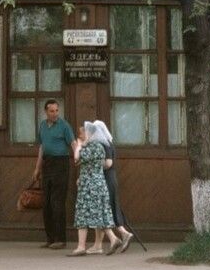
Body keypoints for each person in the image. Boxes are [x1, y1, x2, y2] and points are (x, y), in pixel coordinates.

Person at [67, 122, 122, 256]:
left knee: (82, 214)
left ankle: (81, 246)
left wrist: (79, 145)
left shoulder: (91, 147)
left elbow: (76, 158)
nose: (80, 136)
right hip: (99, 183)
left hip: (88, 185)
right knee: (99, 213)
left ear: (90, 134)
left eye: (83, 133)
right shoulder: (100, 147)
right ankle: (113, 239)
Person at [32, 100, 77, 250]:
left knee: (57, 202)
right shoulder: (43, 126)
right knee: (47, 203)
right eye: (52, 111)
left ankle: (60, 239)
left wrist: (78, 156)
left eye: (57, 110)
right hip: (47, 163)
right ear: (46, 112)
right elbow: (42, 147)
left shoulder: (64, 125)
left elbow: (73, 143)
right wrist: (37, 168)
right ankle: (50, 238)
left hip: (61, 163)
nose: (55, 113)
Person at [88, 120, 134, 253]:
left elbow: (108, 163)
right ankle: (98, 244)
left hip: (106, 179)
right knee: (106, 209)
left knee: (104, 210)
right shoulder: (109, 142)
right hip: (110, 179)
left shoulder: (103, 144)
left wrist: (94, 163)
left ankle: (123, 233)